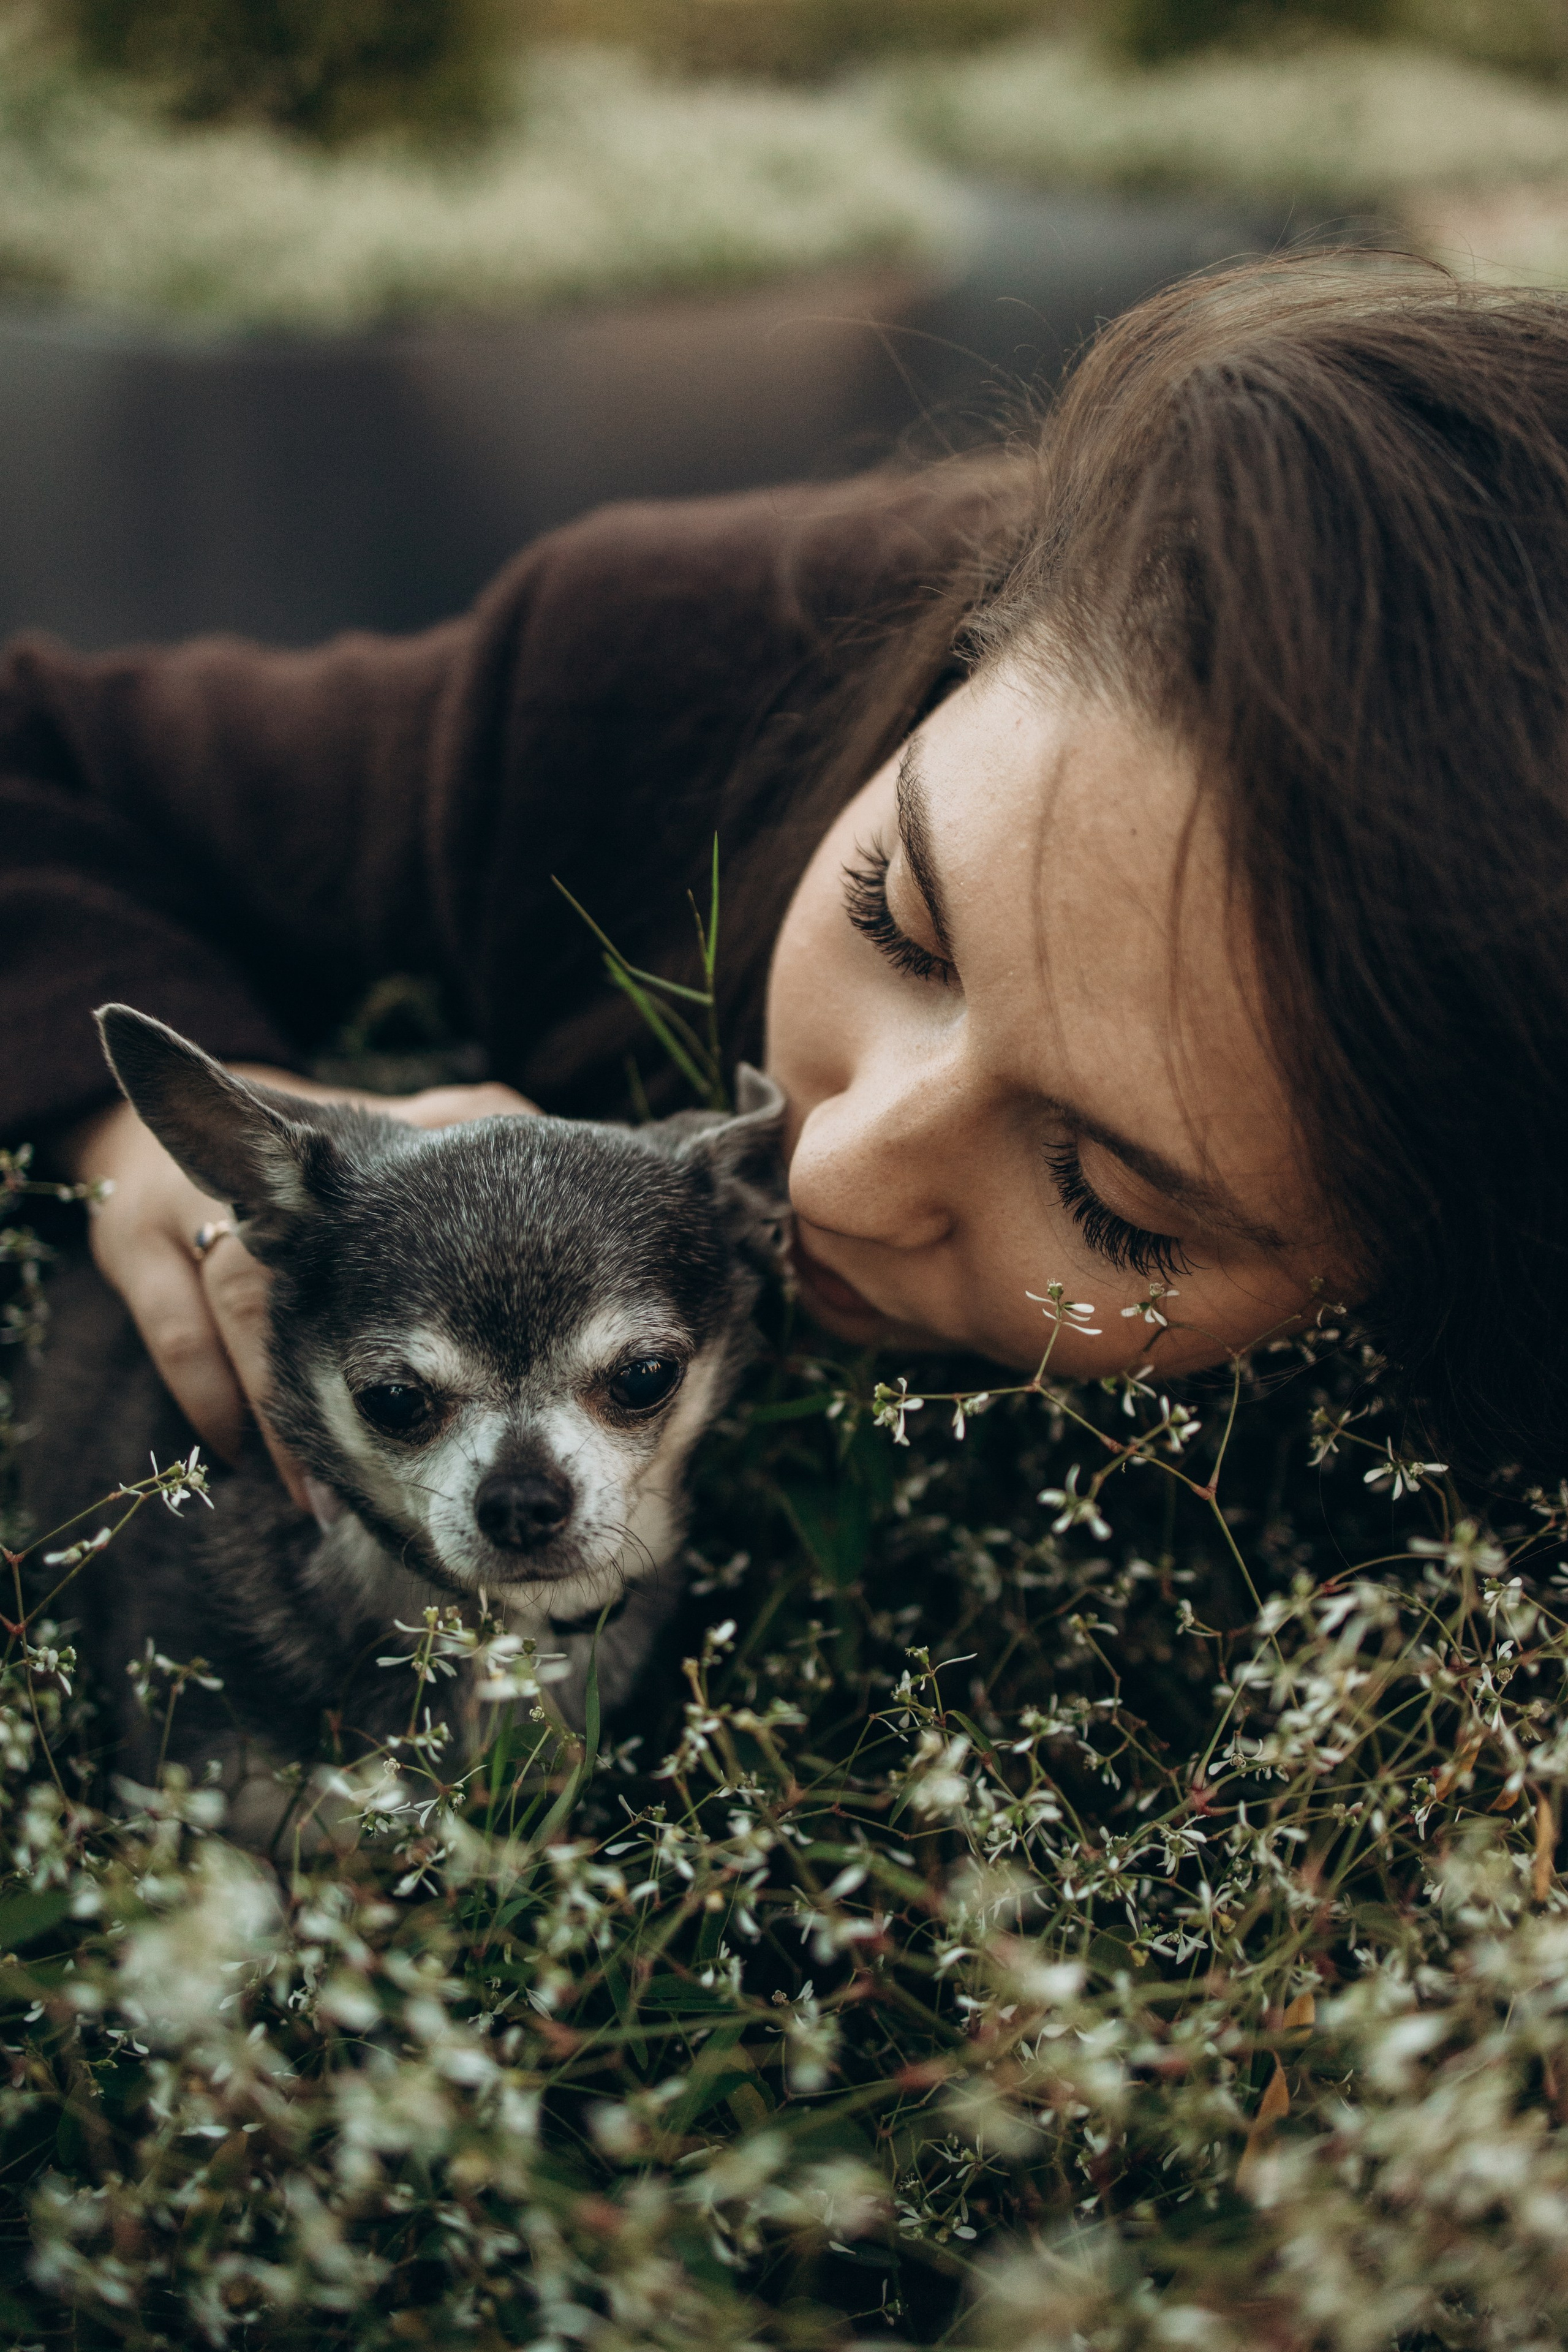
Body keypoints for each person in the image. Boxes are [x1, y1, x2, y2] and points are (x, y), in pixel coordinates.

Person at [4, 257, 1566, 1494]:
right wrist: (164, 1149)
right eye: (900, 916)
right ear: (971, 641)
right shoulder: (639, 685)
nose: (832, 1173)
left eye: (1111, 1201)